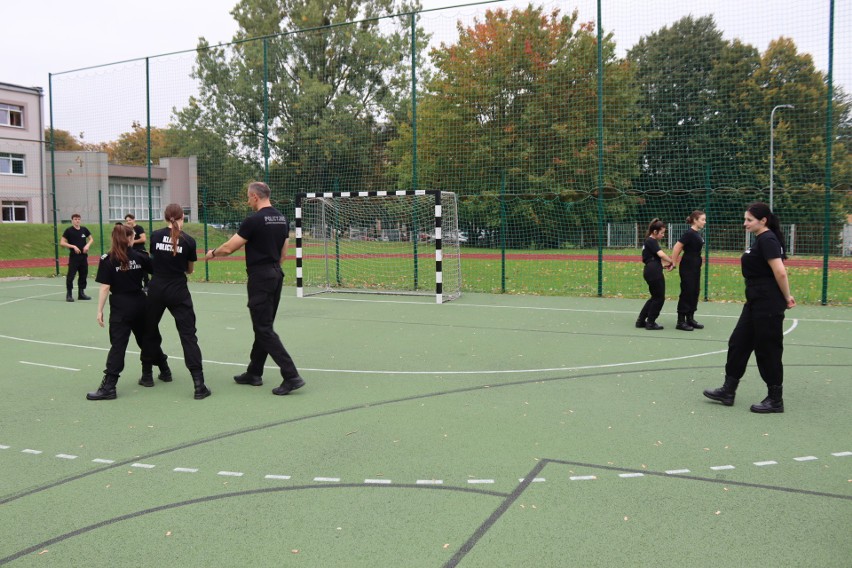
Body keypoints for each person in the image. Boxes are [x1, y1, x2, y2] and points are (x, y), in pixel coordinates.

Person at [204, 181, 305, 396]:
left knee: (263, 328)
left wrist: (212, 253)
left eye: (248, 197)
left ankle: (291, 375)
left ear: (255, 197)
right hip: (276, 274)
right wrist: (272, 270)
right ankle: (254, 372)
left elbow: (230, 247)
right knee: (263, 325)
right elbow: (284, 253)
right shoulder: (281, 218)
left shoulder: (254, 220)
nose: (248, 200)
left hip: (260, 277)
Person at [703, 202, 795, 413]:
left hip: (767, 302)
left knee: (768, 350)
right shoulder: (761, 240)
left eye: (749, 220)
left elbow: (780, 272)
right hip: (754, 300)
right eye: (745, 219)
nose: (745, 223)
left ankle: (775, 399)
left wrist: (787, 297)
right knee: (739, 342)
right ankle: (728, 390)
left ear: (763, 221)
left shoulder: (768, 239)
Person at [141, 204, 211, 400]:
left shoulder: (154, 236)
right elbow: (189, 269)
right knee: (188, 335)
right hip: (178, 289)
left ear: (165, 218)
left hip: (157, 288)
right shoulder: (189, 241)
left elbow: (154, 261)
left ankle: (147, 375)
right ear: (182, 218)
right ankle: (199, 384)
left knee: (149, 329)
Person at [86, 224, 154, 400]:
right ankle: (148, 375)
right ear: (130, 238)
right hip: (140, 303)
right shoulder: (140, 256)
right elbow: (157, 273)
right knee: (145, 340)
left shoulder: (107, 259)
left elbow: (105, 287)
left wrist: (99, 310)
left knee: (118, 346)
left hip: (120, 307)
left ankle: (109, 386)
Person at [671, 210, 707, 331]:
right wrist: (673, 262)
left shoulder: (696, 233)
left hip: (695, 266)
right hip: (688, 266)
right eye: (702, 219)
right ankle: (681, 321)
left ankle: (690, 318)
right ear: (695, 220)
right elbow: (677, 247)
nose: (704, 222)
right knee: (687, 291)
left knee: (694, 291)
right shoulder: (689, 233)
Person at [635, 219, 674, 330]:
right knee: (659, 298)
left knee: (655, 297)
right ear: (655, 232)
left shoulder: (649, 242)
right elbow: (660, 254)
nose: (663, 235)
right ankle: (650, 322)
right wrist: (671, 261)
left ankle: (641, 321)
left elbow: (652, 259)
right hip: (653, 271)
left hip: (651, 270)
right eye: (662, 233)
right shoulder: (651, 241)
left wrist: (662, 266)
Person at [60, 213, 94, 302]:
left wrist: (87, 246)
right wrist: (73, 246)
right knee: (71, 275)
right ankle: (69, 294)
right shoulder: (69, 231)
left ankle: (81, 293)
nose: (77, 221)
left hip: (83, 257)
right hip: (74, 257)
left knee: (83, 274)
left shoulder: (84, 229)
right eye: (75, 219)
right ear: (72, 220)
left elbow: (91, 239)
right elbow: (62, 242)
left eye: (78, 219)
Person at [125, 213, 150, 292]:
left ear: (134, 219)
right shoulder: (126, 229)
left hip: (140, 250)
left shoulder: (139, 228)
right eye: (127, 220)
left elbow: (143, 239)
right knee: (132, 267)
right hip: (131, 251)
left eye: (130, 220)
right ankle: (134, 285)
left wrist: (132, 241)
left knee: (143, 268)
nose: (128, 222)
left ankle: (147, 284)